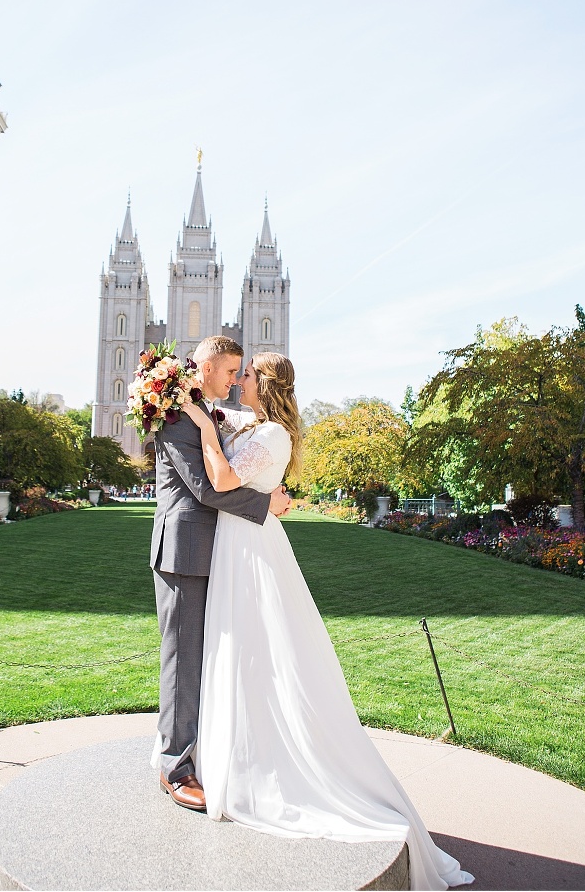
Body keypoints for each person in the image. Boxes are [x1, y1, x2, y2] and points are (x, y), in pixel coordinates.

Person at [177, 352, 474, 892]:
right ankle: (237, 755)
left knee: (261, 653)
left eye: (246, 375)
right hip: (236, 545)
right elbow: (235, 451)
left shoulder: (272, 436)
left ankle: (274, 766)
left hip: (251, 553)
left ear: (265, 385)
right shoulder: (253, 426)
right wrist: (203, 412)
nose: (238, 380)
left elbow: (220, 479)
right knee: (241, 655)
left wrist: (200, 425)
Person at [150, 335, 291, 813]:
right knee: (183, 661)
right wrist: (266, 503)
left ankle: (199, 752)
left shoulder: (205, 413)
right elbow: (206, 490)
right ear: (206, 368)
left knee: (208, 659)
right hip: (184, 551)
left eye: (241, 374)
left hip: (216, 551)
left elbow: (253, 447)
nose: (234, 382)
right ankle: (174, 768)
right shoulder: (177, 418)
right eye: (231, 371)